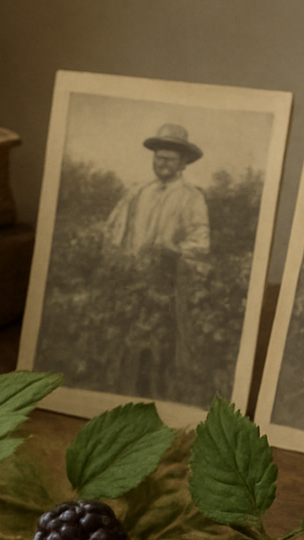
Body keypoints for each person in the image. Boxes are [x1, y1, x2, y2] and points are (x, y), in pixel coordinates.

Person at [99, 124, 210, 398]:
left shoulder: (191, 197)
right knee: (123, 349)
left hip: (165, 287)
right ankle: (119, 400)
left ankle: (156, 403)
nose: (163, 163)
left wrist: (171, 251)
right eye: (159, 157)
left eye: (170, 158)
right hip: (129, 284)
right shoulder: (137, 193)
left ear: (183, 163)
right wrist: (118, 261)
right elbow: (113, 230)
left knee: (159, 353)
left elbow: (200, 242)